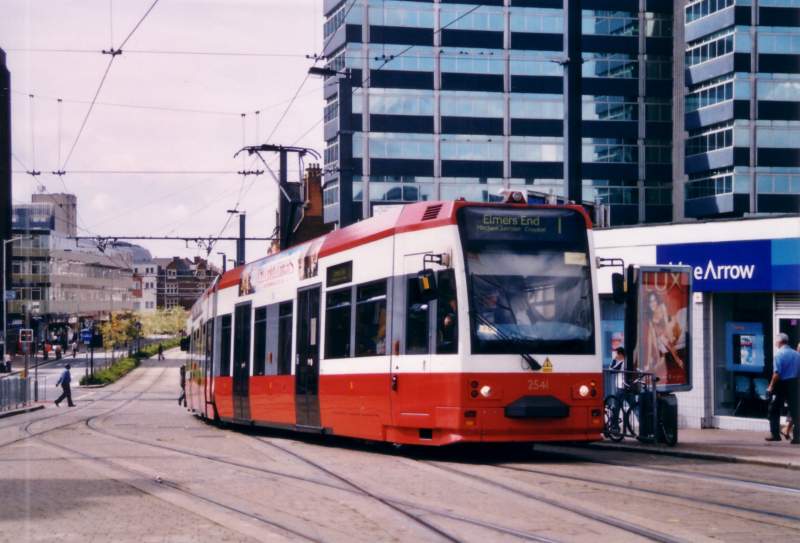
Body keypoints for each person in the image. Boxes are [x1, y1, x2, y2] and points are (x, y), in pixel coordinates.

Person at [766, 333, 799, 443]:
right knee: (795, 410)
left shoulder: (779, 355)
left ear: (779, 342)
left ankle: (775, 434)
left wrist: (771, 386)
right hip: (794, 384)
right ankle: (797, 437)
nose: (775, 343)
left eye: (776, 341)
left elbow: (776, 374)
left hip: (781, 384)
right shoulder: (797, 354)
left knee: (774, 409)